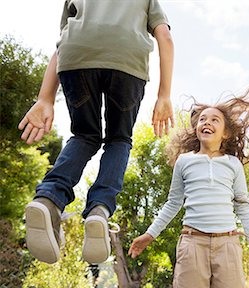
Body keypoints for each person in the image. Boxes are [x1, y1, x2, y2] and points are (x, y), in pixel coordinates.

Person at [18, 0, 174, 265]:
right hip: (127, 60)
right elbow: (165, 37)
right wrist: (164, 94)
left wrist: (45, 98)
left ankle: (48, 199)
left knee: (84, 135)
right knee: (119, 139)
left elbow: (63, 43)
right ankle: (99, 210)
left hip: (76, 58)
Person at [128, 85, 249, 288]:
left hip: (227, 245)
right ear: (197, 129)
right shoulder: (184, 162)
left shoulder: (232, 164)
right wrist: (150, 234)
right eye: (203, 119)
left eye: (215, 120)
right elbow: (173, 203)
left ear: (225, 133)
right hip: (192, 244)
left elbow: (242, 205)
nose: (207, 122)